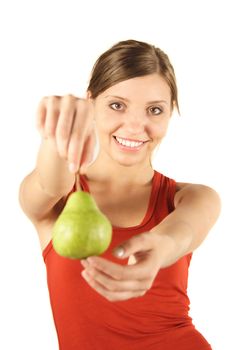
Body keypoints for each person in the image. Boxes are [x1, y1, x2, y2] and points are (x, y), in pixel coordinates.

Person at [19, 39, 221, 350]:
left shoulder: (192, 197)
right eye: (117, 105)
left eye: (155, 110)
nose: (136, 125)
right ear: (91, 104)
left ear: (170, 116)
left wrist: (161, 247)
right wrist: (57, 133)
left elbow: (182, 233)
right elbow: (49, 183)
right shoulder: (59, 200)